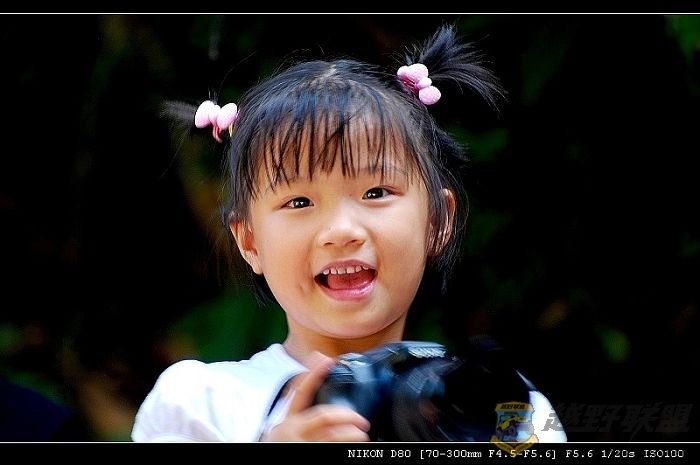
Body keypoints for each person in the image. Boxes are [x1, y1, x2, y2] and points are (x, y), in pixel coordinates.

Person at [131, 24, 567, 443]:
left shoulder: (496, 406)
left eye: (376, 192)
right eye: (298, 202)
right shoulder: (201, 404)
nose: (341, 231)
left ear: (437, 222)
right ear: (249, 242)